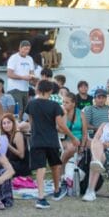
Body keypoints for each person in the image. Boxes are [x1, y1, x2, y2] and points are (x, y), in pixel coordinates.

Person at [28, 79, 71, 208]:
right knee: (55, 165)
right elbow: (60, 125)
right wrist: (72, 137)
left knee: (40, 169)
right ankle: (57, 190)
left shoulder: (31, 104)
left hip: (36, 139)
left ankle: (40, 197)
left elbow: (31, 122)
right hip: (51, 139)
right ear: (51, 91)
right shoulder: (55, 106)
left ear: (37, 90)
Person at [5, 40, 37, 116]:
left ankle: (21, 125)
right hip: (14, 88)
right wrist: (23, 77)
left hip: (25, 89)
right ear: (19, 48)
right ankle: (16, 125)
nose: (26, 51)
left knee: (25, 110)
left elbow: (32, 73)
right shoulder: (14, 58)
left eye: (28, 49)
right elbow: (9, 74)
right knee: (18, 109)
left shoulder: (30, 59)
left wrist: (33, 79)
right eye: (24, 49)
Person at [0, 114, 29, 178]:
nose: (6, 125)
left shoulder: (17, 134)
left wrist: (8, 145)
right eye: (4, 123)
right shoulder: (5, 136)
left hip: (21, 165)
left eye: (8, 122)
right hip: (11, 163)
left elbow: (21, 155)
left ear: (13, 123)